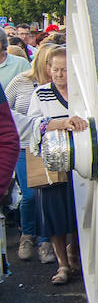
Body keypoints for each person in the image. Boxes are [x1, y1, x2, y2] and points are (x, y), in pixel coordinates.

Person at [26, 48, 88, 284]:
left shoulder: (81, 94)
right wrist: (63, 122)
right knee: (55, 213)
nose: (60, 74)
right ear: (48, 70)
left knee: (77, 210)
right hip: (52, 162)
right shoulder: (41, 94)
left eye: (64, 70)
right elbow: (33, 124)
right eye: (56, 70)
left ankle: (74, 254)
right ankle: (62, 264)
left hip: (80, 160)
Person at [7, 45, 57, 263]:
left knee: (47, 195)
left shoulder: (60, 85)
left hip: (52, 146)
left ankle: (46, 240)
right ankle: (28, 235)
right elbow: (5, 110)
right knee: (28, 196)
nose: (54, 69)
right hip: (24, 145)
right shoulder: (20, 82)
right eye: (51, 65)